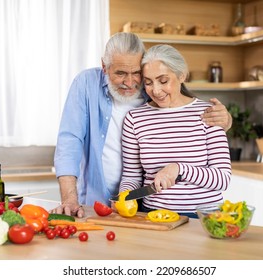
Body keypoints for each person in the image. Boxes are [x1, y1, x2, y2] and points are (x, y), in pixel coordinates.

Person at [52, 32, 232, 218]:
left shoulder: (205, 112)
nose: (130, 83)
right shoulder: (96, 90)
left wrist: (180, 168)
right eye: (121, 73)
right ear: (105, 67)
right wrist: (72, 198)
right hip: (119, 203)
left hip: (196, 214)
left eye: (137, 74)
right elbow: (70, 142)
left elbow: (222, 176)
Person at [118, 44, 232, 218]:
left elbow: (222, 179)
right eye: (148, 83)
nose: (155, 90)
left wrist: (179, 169)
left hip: (204, 217)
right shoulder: (135, 119)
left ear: (181, 75)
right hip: (154, 215)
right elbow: (131, 176)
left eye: (163, 81)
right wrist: (125, 196)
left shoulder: (209, 113)